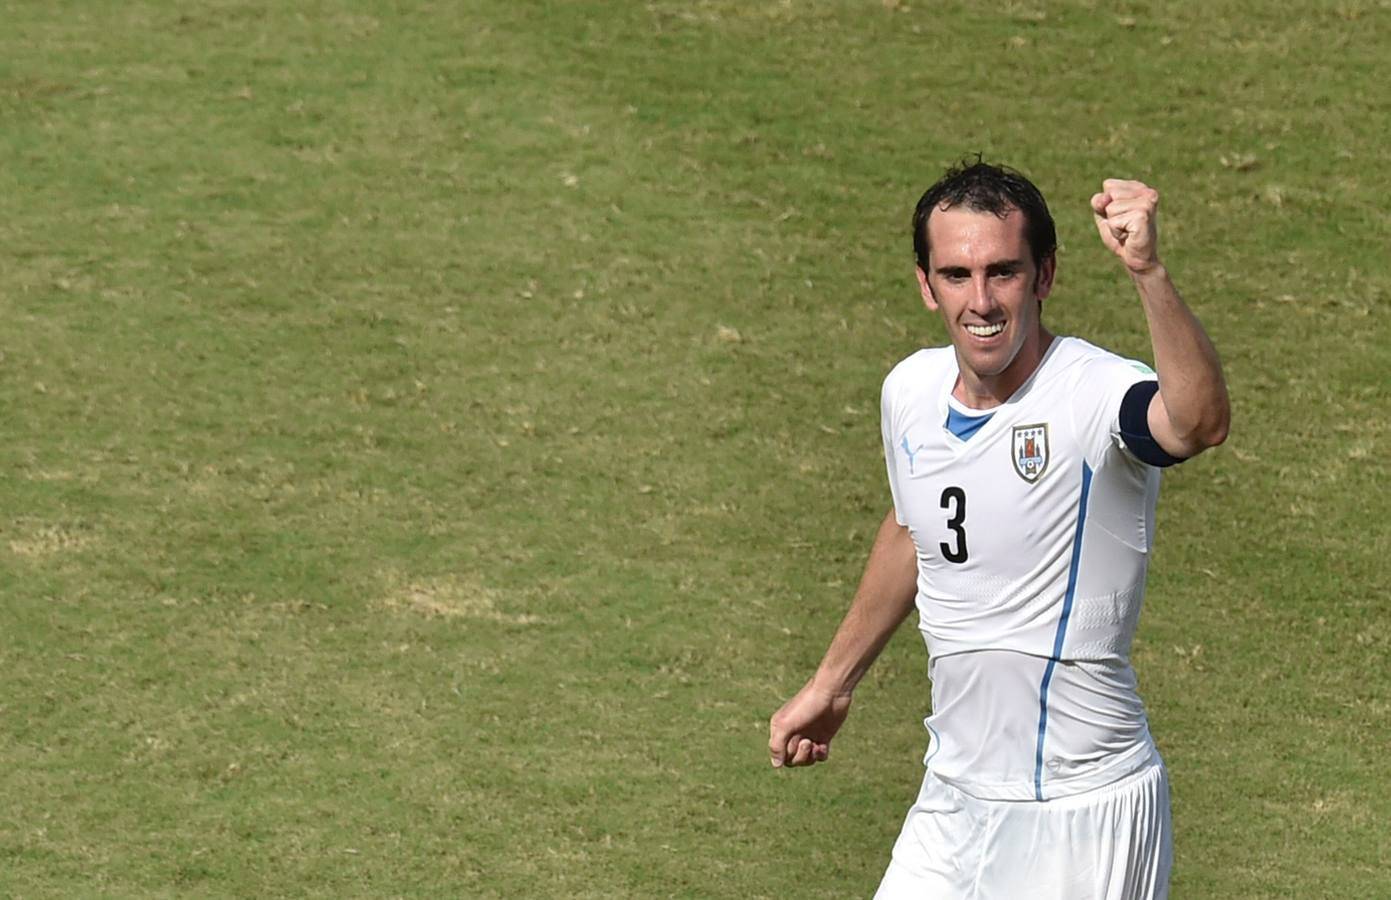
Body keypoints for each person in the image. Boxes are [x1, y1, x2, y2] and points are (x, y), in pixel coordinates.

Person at [767, 161, 1230, 898]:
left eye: (1002, 273)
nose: (979, 301)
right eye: (955, 275)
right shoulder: (908, 393)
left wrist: (1147, 272)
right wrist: (833, 683)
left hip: (1082, 811)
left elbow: (1196, 423)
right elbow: (911, 530)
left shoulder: (1090, 392)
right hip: (951, 800)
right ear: (925, 285)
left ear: (1044, 275)